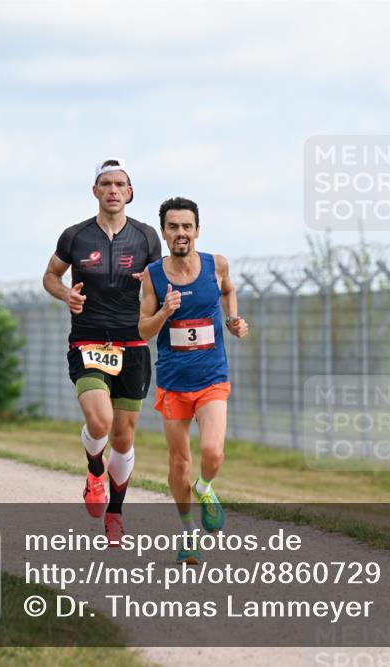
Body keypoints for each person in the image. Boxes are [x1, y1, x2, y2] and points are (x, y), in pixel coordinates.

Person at [42, 158, 161, 542]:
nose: (112, 190)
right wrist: (66, 295)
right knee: (100, 422)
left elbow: (163, 282)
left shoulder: (146, 237)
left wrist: (152, 282)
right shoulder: (75, 236)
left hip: (134, 343)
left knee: (124, 438)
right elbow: (50, 276)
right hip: (89, 340)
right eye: (105, 184)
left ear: (130, 193)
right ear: (95, 191)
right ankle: (95, 470)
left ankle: (115, 513)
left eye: (119, 184)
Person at [138, 196, 248, 564]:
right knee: (179, 463)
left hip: (212, 377)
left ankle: (205, 489)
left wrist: (234, 320)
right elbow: (143, 329)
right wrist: (165, 312)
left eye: (187, 226)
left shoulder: (216, 264)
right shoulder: (153, 276)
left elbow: (229, 291)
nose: (181, 233)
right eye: (173, 227)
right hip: (172, 383)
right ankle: (188, 534)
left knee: (213, 453)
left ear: (197, 230)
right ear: (164, 232)